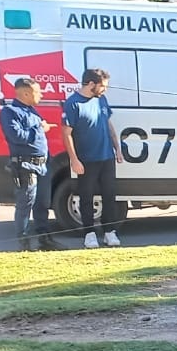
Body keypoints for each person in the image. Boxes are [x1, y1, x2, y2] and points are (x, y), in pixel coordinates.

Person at [62, 67, 124, 249]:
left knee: (109, 194)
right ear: (91, 84)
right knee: (87, 196)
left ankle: (109, 232)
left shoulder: (101, 100)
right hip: (87, 159)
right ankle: (89, 233)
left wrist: (117, 148)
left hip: (107, 157)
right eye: (102, 86)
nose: (105, 89)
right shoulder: (73, 103)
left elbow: (108, 123)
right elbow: (66, 134)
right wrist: (74, 159)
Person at [0, 77, 62, 251]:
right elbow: (16, 136)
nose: (41, 95)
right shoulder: (10, 112)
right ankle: (24, 242)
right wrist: (39, 129)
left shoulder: (33, 111)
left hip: (42, 165)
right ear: (26, 93)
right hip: (25, 166)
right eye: (38, 91)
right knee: (26, 203)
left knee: (43, 204)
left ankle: (45, 240)